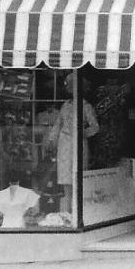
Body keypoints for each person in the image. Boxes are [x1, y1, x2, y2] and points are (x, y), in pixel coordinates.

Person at [48, 74, 99, 213]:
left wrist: (83, 133)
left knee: (78, 176)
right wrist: (52, 140)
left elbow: (95, 126)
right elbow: (58, 124)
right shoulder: (65, 105)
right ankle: (67, 212)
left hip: (78, 144)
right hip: (64, 144)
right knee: (65, 178)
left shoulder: (86, 106)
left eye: (72, 86)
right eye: (69, 86)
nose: (70, 88)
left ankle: (79, 213)